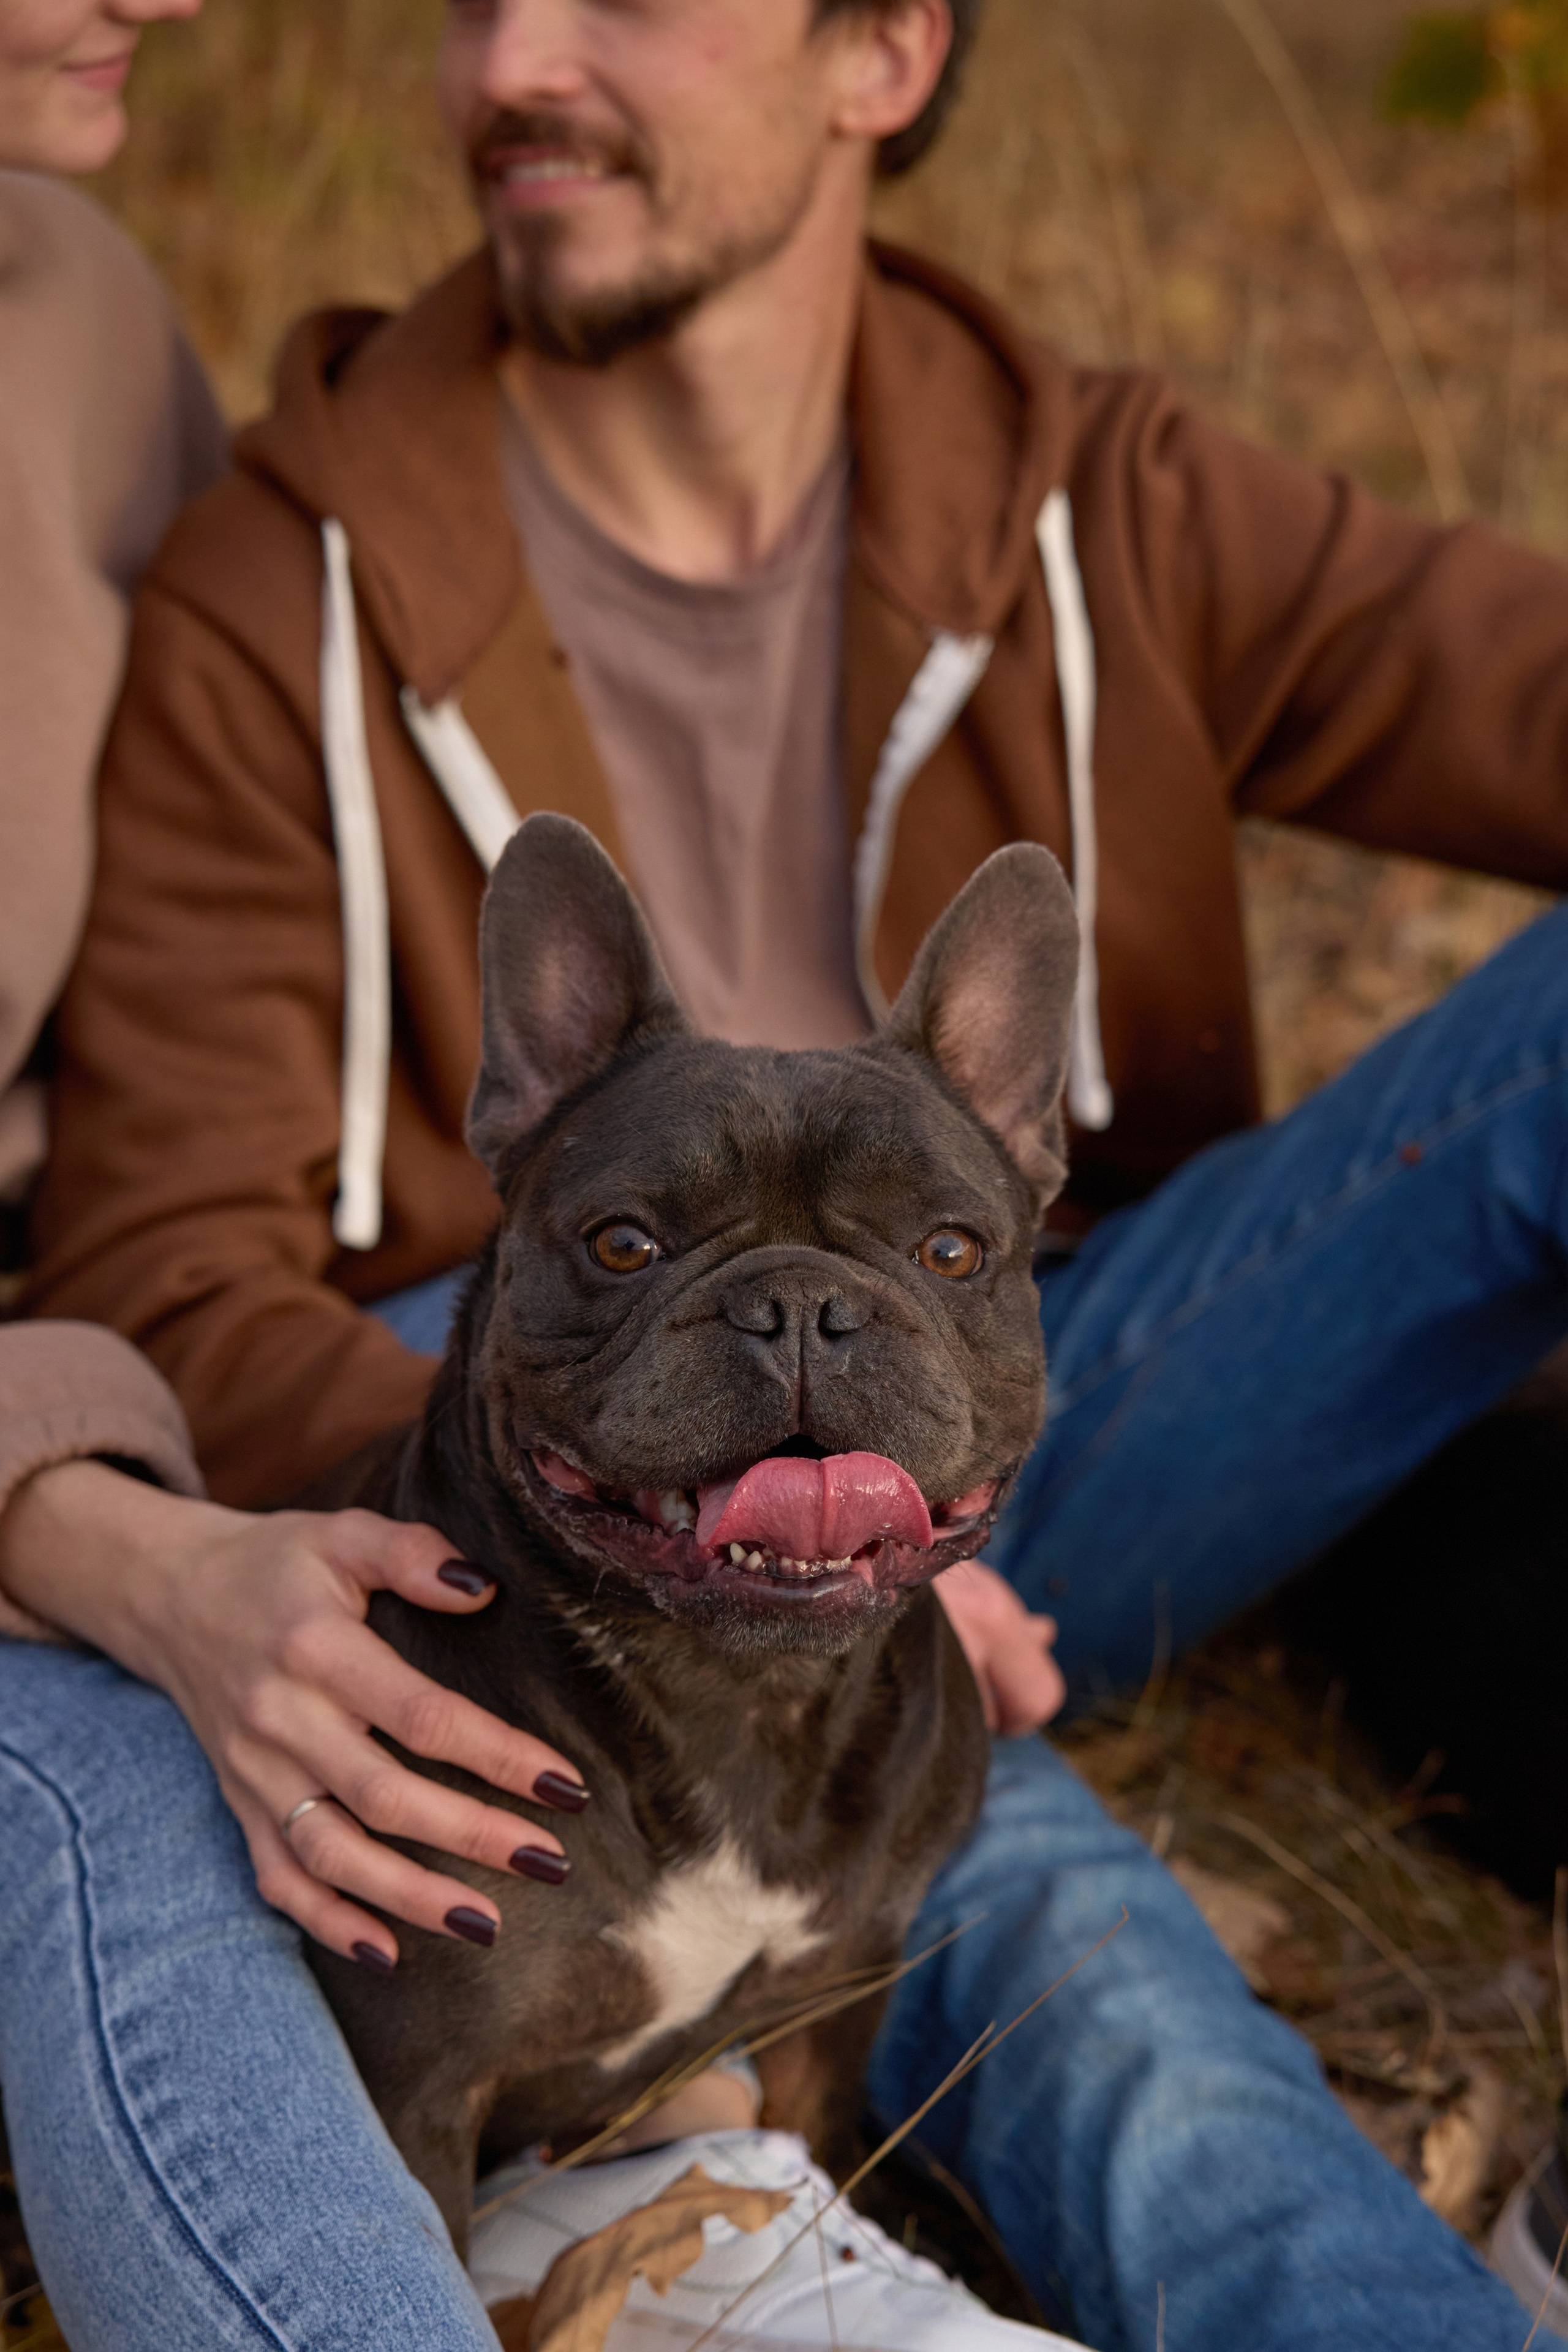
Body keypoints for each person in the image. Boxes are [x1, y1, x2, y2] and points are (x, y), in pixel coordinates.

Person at [12, 0, 1564, 2346]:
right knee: (1032, 1912)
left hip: (1029, 1374)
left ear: (886, 49)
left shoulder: (1096, 489)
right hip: (517, 1447)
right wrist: (565, 1553)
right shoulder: (284, 579)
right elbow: (159, 1259)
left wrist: (883, 1444)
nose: (518, 61)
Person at [0, 18, 1068, 2350]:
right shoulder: (280, 542)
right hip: (141, 1471)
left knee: (1055, 1898)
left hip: (118, 1426)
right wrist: (120, 1543)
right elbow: (160, 1233)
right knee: (193, 1844)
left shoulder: (72, 310)